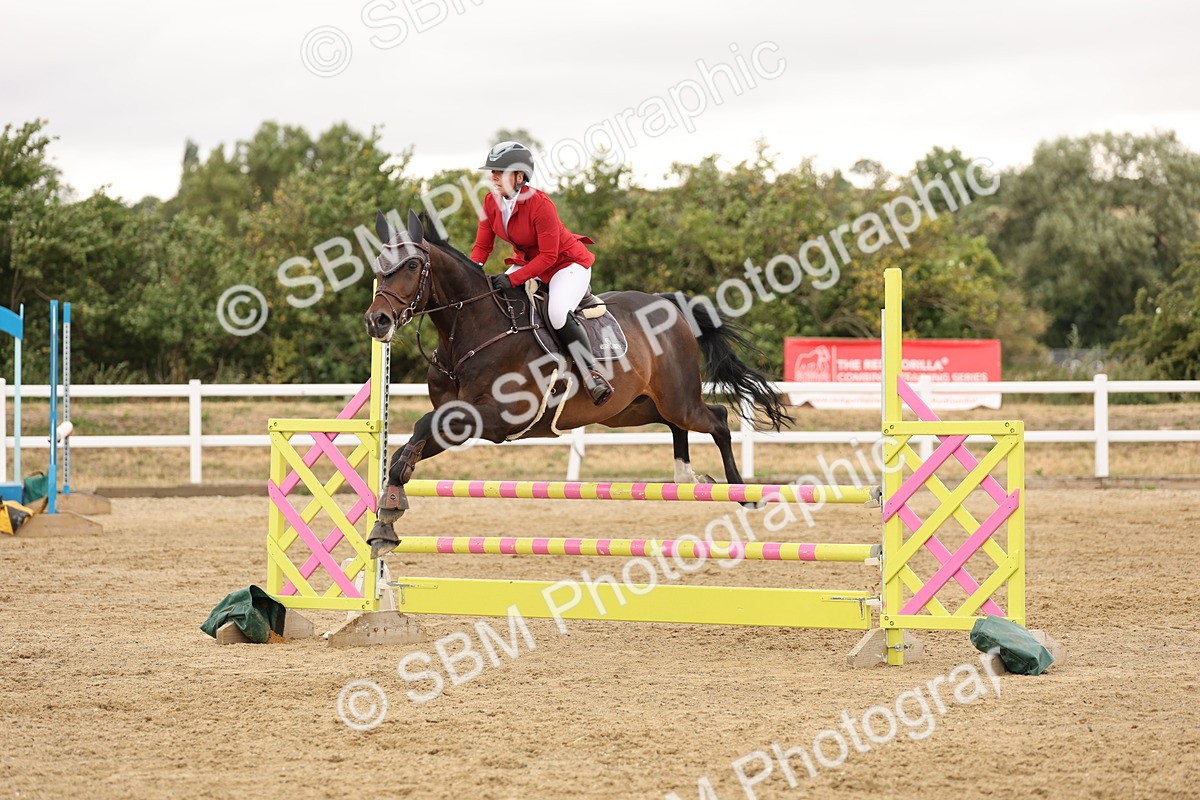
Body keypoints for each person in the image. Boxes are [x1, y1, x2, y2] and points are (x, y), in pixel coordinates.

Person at [470, 141, 613, 406]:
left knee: (556, 312)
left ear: (520, 176)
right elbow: (482, 246)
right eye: (492, 171)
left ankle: (591, 373)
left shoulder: (540, 204)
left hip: (566, 265)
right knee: (499, 300)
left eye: (500, 171)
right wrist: (471, 272)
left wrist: (513, 278)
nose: (493, 177)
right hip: (530, 264)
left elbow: (548, 256)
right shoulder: (491, 202)